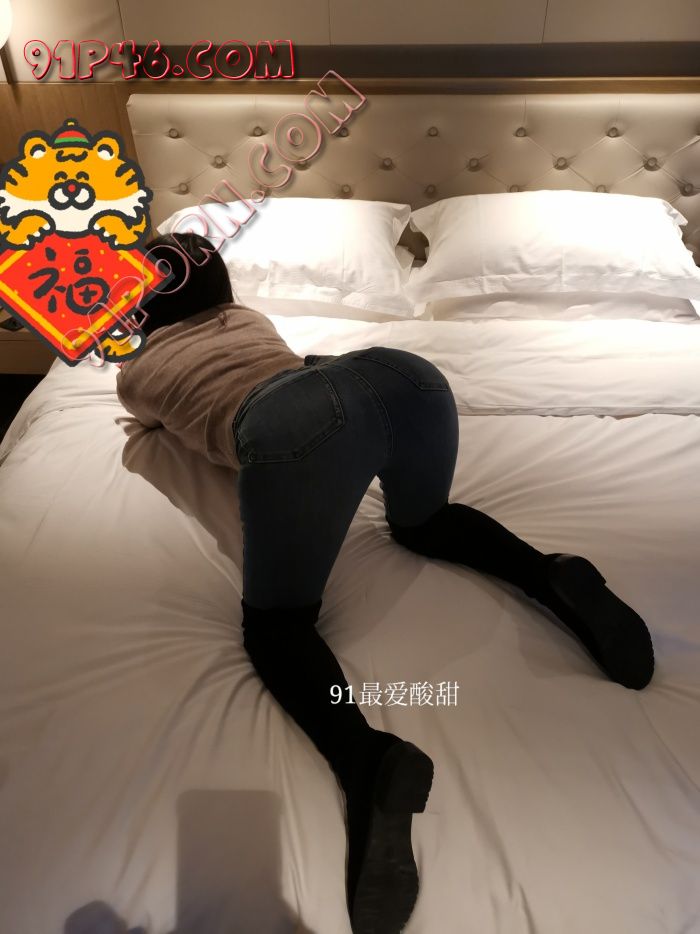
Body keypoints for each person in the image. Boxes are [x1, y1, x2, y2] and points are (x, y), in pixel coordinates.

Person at [116, 231, 655, 934]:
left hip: (293, 423)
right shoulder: (249, 319)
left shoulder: (137, 373)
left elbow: (149, 422)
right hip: (402, 378)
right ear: (221, 288)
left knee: (277, 627)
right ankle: (550, 574)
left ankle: (365, 761)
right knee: (426, 521)